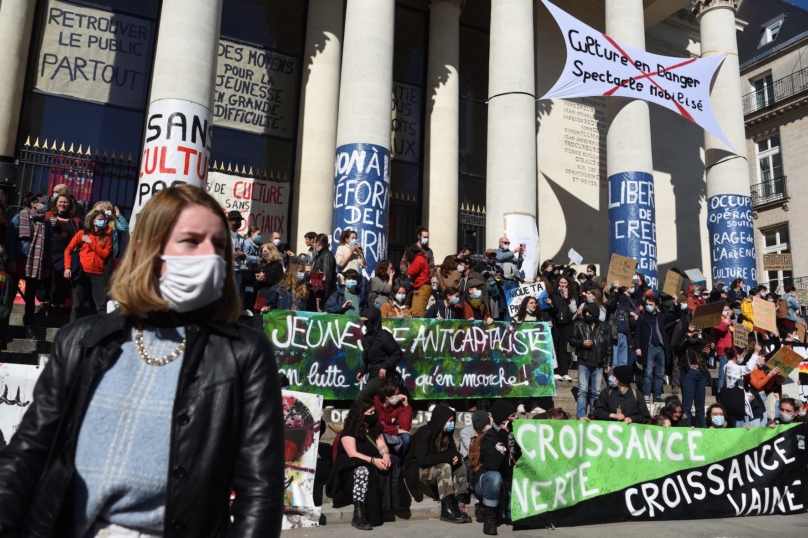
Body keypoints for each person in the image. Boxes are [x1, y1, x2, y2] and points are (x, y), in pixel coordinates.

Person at [0, 185, 284, 536]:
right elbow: (28, 454)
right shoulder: (82, 340)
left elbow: (260, 491)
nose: (211, 255)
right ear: (147, 249)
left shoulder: (245, 353)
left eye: (220, 245)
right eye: (192, 241)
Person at [326, 399, 408, 530]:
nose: (374, 414)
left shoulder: (375, 428)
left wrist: (385, 455)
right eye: (370, 412)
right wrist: (373, 461)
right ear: (360, 414)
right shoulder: (349, 431)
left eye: (374, 411)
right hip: (349, 469)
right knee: (362, 470)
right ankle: (358, 513)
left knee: (388, 464)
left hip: (371, 465)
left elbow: (382, 446)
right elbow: (353, 454)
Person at [403, 405, 469, 524]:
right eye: (449, 421)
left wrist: (457, 457)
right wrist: (448, 458)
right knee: (445, 467)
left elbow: (453, 452)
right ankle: (446, 509)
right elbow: (423, 460)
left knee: (461, 467)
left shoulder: (446, 434)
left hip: (434, 467)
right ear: (441, 420)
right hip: (418, 471)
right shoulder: (423, 433)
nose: (452, 423)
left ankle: (459, 504)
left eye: (453, 421)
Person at [4, 192, 53, 337]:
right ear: (33, 204)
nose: (44, 205)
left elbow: (49, 245)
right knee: (9, 295)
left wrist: (48, 266)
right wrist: (11, 260)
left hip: (36, 263)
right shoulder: (19, 217)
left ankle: (29, 324)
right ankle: (4, 323)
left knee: (30, 296)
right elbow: (10, 240)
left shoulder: (46, 221)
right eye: (41, 202)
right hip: (18, 260)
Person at [472, 399, 520, 536]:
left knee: (515, 515)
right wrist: (502, 440)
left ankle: (489, 507)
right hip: (487, 480)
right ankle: (489, 517)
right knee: (495, 477)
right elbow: (493, 465)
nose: (515, 419)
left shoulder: (516, 434)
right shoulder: (489, 437)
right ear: (503, 419)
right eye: (512, 417)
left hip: (506, 482)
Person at [64, 210, 112, 322]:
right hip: (82, 273)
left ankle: (102, 334)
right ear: (93, 221)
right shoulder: (82, 233)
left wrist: (90, 242)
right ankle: (73, 332)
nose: (102, 222)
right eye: (100, 219)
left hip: (98, 275)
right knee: (77, 306)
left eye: (104, 220)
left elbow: (105, 254)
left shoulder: (107, 237)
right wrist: (67, 267)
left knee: (101, 306)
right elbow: (68, 250)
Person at [570, 303, 613, 419]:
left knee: (596, 391)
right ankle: (581, 414)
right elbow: (572, 340)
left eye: (589, 313)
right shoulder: (579, 324)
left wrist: (608, 363)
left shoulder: (605, 327)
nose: (587, 315)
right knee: (582, 391)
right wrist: (582, 343)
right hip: (584, 361)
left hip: (598, 363)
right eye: (585, 313)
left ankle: (594, 414)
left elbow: (609, 346)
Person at [357, 306, 404, 400]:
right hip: (372, 374)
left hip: (383, 377)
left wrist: (385, 366)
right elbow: (367, 357)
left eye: (367, 321)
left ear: (374, 320)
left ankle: (354, 415)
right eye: (364, 321)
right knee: (372, 402)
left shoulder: (384, 336)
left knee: (361, 397)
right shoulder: (366, 338)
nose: (365, 324)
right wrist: (362, 370)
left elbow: (397, 353)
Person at [45, 192, 81, 312]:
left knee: (60, 280)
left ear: (70, 204)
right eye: (60, 201)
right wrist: (47, 224)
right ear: (56, 203)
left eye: (65, 202)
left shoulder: (74, 220)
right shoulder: (48, 215)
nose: (62, 204)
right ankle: (44, 303)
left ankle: (59, 304)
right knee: (45, 277)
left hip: (64, 254)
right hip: (47, 252)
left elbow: (76, 237)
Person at [633, 295, 670, 404]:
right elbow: (637, 333)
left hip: (660, 348)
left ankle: (657, 395)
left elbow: (675, 316)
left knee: (660, 373)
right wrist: (638, 347)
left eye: (651, 304)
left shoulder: (660, 317)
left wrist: (675, 302)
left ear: (656, 306)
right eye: (647, 304)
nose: (648, 306)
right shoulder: (643, 317)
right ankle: (646, 395)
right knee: (648, 372)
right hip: (649, 348)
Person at [676, 323, 712, 427]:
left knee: (700, 406)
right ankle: (686, 427)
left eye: (696, 330)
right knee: (687, 406)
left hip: (700, 373)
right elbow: (679, 348)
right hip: (689, 373)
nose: (695, 332)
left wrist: (707, 353)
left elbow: (703, 359)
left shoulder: (699, 343)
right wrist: (688, 334)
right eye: (693, 330)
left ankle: (701, 427)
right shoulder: (683, 342)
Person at [723, 345, 766, 428]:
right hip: (737, 405)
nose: (742, 358)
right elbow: (748, 369)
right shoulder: (730, 367)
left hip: (741, 402)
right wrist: (756, 353)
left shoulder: (733, 367)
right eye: (742, 355)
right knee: (740, 429)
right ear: (737, 356)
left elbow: (736, 386)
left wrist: (746, 396)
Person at [605, 283, 639, 386]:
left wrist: (637, 318)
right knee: (614, 362)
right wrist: (615, 289)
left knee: (623, 363)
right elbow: (610, 303)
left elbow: (628, 324)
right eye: (615, 293)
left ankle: (621, 383)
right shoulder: (610, 306)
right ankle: (612, 383)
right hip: (614, 336)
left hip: (624, 337)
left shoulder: (624, 307)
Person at [374, 379, 412, 460]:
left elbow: (405, 427)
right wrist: (396, 431)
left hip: (392, 434)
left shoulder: (398, 406)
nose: (399, 397)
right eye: (396, 394)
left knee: (406, 437)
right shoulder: (375, 406)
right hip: (380, 433)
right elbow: (376, 426)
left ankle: (398, 462)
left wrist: (406, 405)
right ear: (387, 397)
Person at [551, 276, 578, 382]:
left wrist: (567, 298)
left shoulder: (571, 295)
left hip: (566, 323)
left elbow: (573, 310)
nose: (562, 284)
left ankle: (564, 372)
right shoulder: (554, 295)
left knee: (563, 348)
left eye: (565, 283)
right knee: (555, 347)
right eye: (561, 282)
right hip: (556, 324)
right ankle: (556, 371)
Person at [494, 237, 523, 321]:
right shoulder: (497, 251)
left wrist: (520, 257)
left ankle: (510, 322)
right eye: (505, 243)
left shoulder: (510, 253)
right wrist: (513, 251)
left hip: (513, 280)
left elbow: (518, 266)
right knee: (503, 303)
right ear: (500, 243)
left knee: (513, 304)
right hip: (504, 280)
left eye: (508, 243)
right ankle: (503, 323)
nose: (507, 244)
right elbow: (500, 258)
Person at [226, 211, 248, 310]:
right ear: (229, 221)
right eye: (236, 220)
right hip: (227, 269)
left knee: (236, 295)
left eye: (240, 220)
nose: (238, 222)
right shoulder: (224, 235)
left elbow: (244, 257)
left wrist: (242, 255)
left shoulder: (240, 238)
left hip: (238, 271)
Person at [712, 304, 735, 395]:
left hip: (730, 351)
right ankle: (721, 393)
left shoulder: (728, 321)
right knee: (723, 374)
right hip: (723, 351)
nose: (728, 312)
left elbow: (734, 326)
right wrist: (728, 317)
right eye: (725, 310)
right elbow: (723, 329)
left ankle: (728, 393)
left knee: (729, 374)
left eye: (728, 310)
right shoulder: (716, 321)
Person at [404, 245, 433, 318]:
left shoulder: (418, 259)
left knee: (419, 312)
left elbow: (412, 272)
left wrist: (409, 266)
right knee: (415, 312)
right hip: (418, 285)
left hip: (423, 285)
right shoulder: (420, 258)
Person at [311, 233, 337, 301]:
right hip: (317, 287)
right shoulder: (319, 254)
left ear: (318, 242)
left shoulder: (326, 254)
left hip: (323, 291)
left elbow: (327, 274)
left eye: (314, 242)